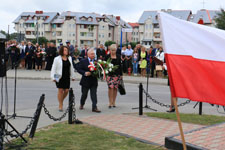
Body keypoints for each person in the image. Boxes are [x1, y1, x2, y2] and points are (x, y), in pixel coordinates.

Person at [51, 46, 75, 111]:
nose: (66, 51)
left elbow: (71, 68)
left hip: (67, 76)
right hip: (58, 76)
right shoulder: (57, 59)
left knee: (66, 91)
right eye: (65, 50)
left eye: (67, 50)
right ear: (61, 51)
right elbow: (53, 68)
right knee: (60, 90)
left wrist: (73, 76)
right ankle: (60, 104)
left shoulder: (69, 58)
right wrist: (53, 77)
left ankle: (61, 100)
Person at [76, 48, 101, 113]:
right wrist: (84, 73)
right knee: (84, 94)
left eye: (94, 54)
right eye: (92, 54)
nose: (93, 55)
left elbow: (99, 69)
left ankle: (94, 107)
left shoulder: (96, 61)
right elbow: (78, 69)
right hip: (85, 81)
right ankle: (82, 104)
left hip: (93, 81)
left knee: (94, 94)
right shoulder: (83, 61)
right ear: (88, 54)